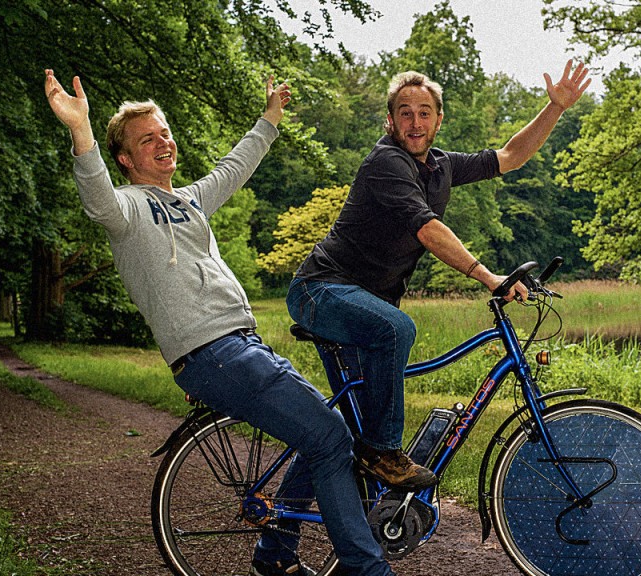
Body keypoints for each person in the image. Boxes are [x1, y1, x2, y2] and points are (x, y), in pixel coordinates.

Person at [44, 69, 395, 576]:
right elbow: (96, 195)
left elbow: (233, 167)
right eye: (148, 139)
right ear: (125, 159)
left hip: (240, 347)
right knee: (330, 438)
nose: (163, 142)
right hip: (215, 353)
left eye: (164, 132)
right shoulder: (128, 210)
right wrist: (82, 131)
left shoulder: (187, 200)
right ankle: (368, 570)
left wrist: (270, 118)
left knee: (324, 431)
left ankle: (275, 555)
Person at [286, 61, 591, 490]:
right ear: (390, 121)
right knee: (396, 329)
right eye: (405, 113)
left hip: (357, 303)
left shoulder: (442, 166)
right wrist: (489, 277)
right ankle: (386, 454)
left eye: (424, 112)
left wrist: (555, 108)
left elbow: (509, 156)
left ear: (438, 120)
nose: (415, 121)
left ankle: (278, 540)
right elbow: (428, 230)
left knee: (340, 434)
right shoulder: (386, 163)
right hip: (320, 290)